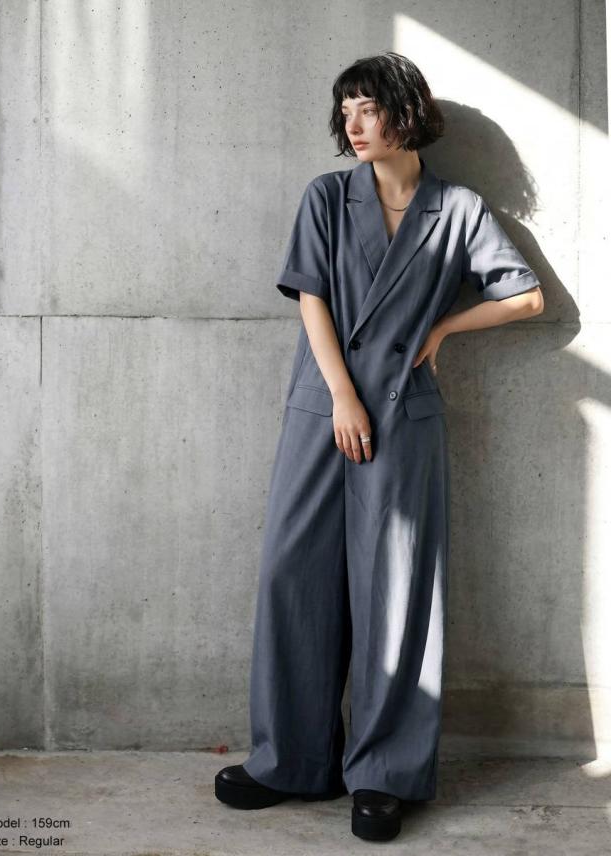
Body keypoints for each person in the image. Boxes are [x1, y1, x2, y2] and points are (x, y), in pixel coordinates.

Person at [214, 51, 544, 842]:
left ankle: (384, 774)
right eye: (346, 111)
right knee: (294, 576)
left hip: (404, 414)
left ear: (407, 110)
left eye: (368, 107)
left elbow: (525, 298)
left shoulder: (456, 209)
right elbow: (312, 298)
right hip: (322, 408)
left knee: (396, 593)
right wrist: (340, 395)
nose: (354, 125)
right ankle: (291, 761)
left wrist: (444, 326)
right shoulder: (328, 196)